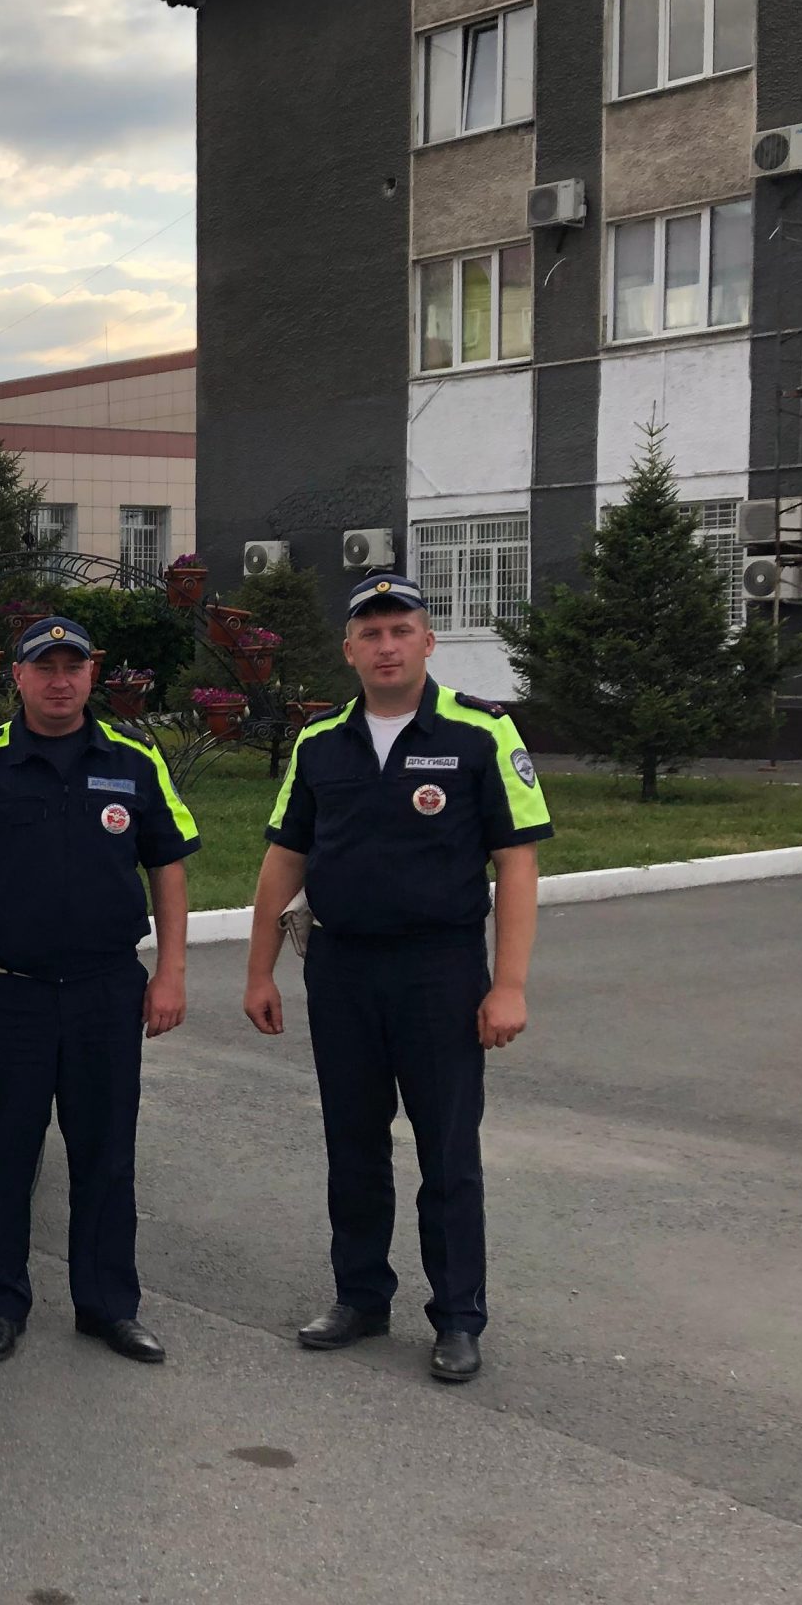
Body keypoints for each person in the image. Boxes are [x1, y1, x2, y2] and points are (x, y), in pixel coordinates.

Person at [241, 573, 551, 1383]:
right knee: (352, 1141)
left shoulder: (482, 732)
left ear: (427, 641)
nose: (387, 647)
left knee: (447, 1150)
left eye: (401, 630)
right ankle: (360, 1296)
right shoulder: (319, 743)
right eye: (371, 634)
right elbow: (284, 857)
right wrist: (259, 970)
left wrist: (509, 985)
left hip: (439, 971)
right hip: (341, 967)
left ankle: (458, 1318)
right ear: (349, 650)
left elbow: (517, 863)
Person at [0, 615, 199, 1366]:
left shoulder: (135, 758)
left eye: (73, 667)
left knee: (106, 1153)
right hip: (8, 994)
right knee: (2, 1154)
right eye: (45, 667)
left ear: (92, 674)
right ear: (18, 676)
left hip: (107, 992)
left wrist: (171, 972)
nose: (60, 680)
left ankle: (107, 1307)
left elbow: (168, 865)